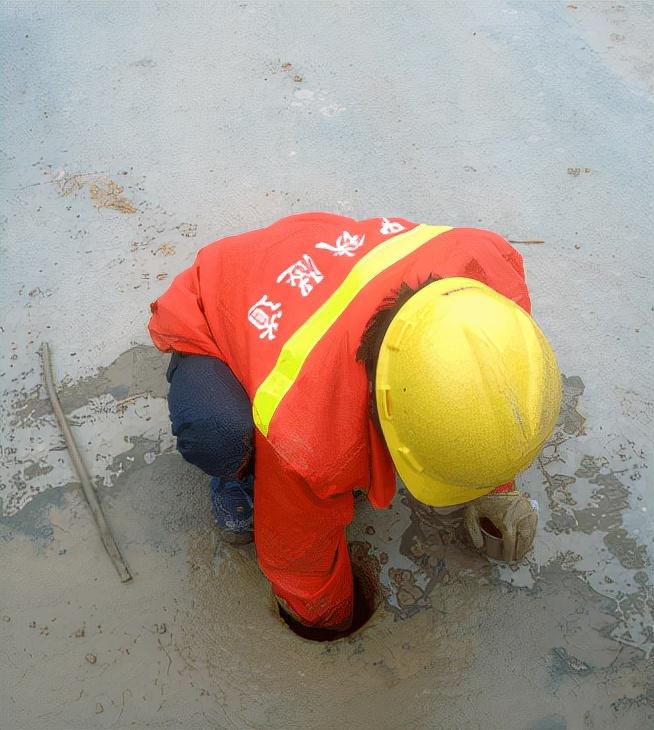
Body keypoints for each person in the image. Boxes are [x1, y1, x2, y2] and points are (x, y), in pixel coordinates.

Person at [148, 213, 561, 632]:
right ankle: (237, 477)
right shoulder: (304, 430)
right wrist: (328, 622)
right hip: (219, 299)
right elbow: (298, 557)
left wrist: (496, 486)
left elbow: (487, 394)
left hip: (320, 259)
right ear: (385, 405)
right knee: (218, 434)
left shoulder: (489, 274)